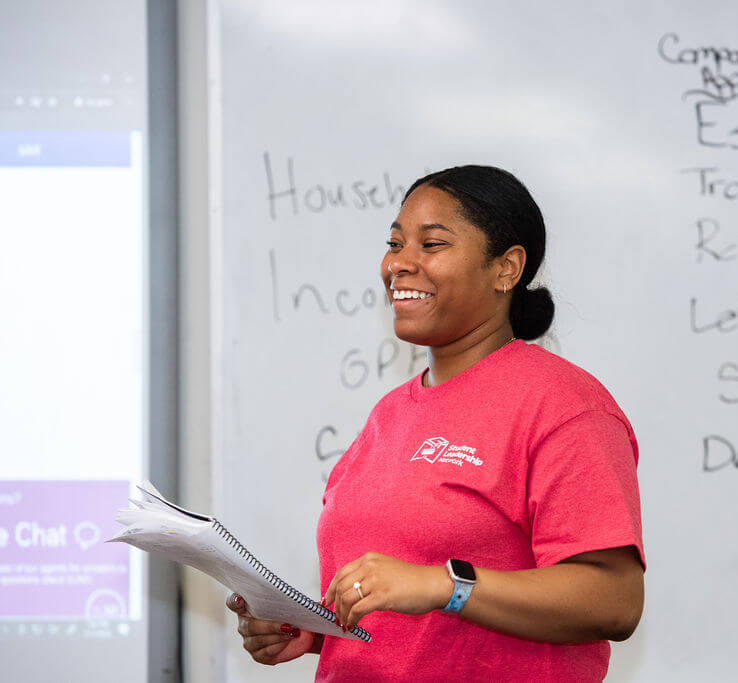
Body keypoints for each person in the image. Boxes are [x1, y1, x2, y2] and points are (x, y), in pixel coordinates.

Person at [228, 165, 645, 681]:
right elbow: (405, 602)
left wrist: (447, 586)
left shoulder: (564, 405)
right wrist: (313, 631)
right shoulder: (389, 415)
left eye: (432, 244)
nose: (399, 264)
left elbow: (615, 599)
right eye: (396, 243)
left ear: (506, 269)